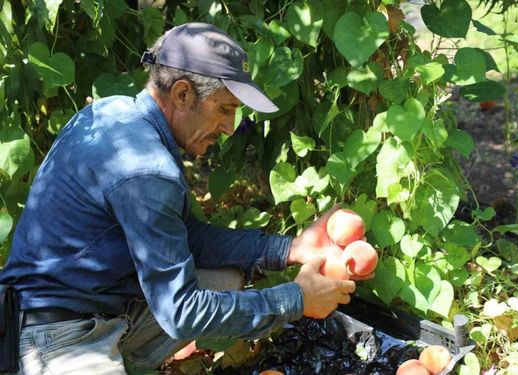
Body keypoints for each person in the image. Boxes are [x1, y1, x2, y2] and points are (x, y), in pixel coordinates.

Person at [0, 23, 362, 374]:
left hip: (83, 302)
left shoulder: (114, 113)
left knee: (223, 279)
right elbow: (182, 312)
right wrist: (296, 299)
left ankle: (117, 352)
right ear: (183, 93)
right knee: (201, 300)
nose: (229, 127)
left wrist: (289, 249)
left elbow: (186, 237)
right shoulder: (146, 169)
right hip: (50, 334)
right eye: (225, 108)